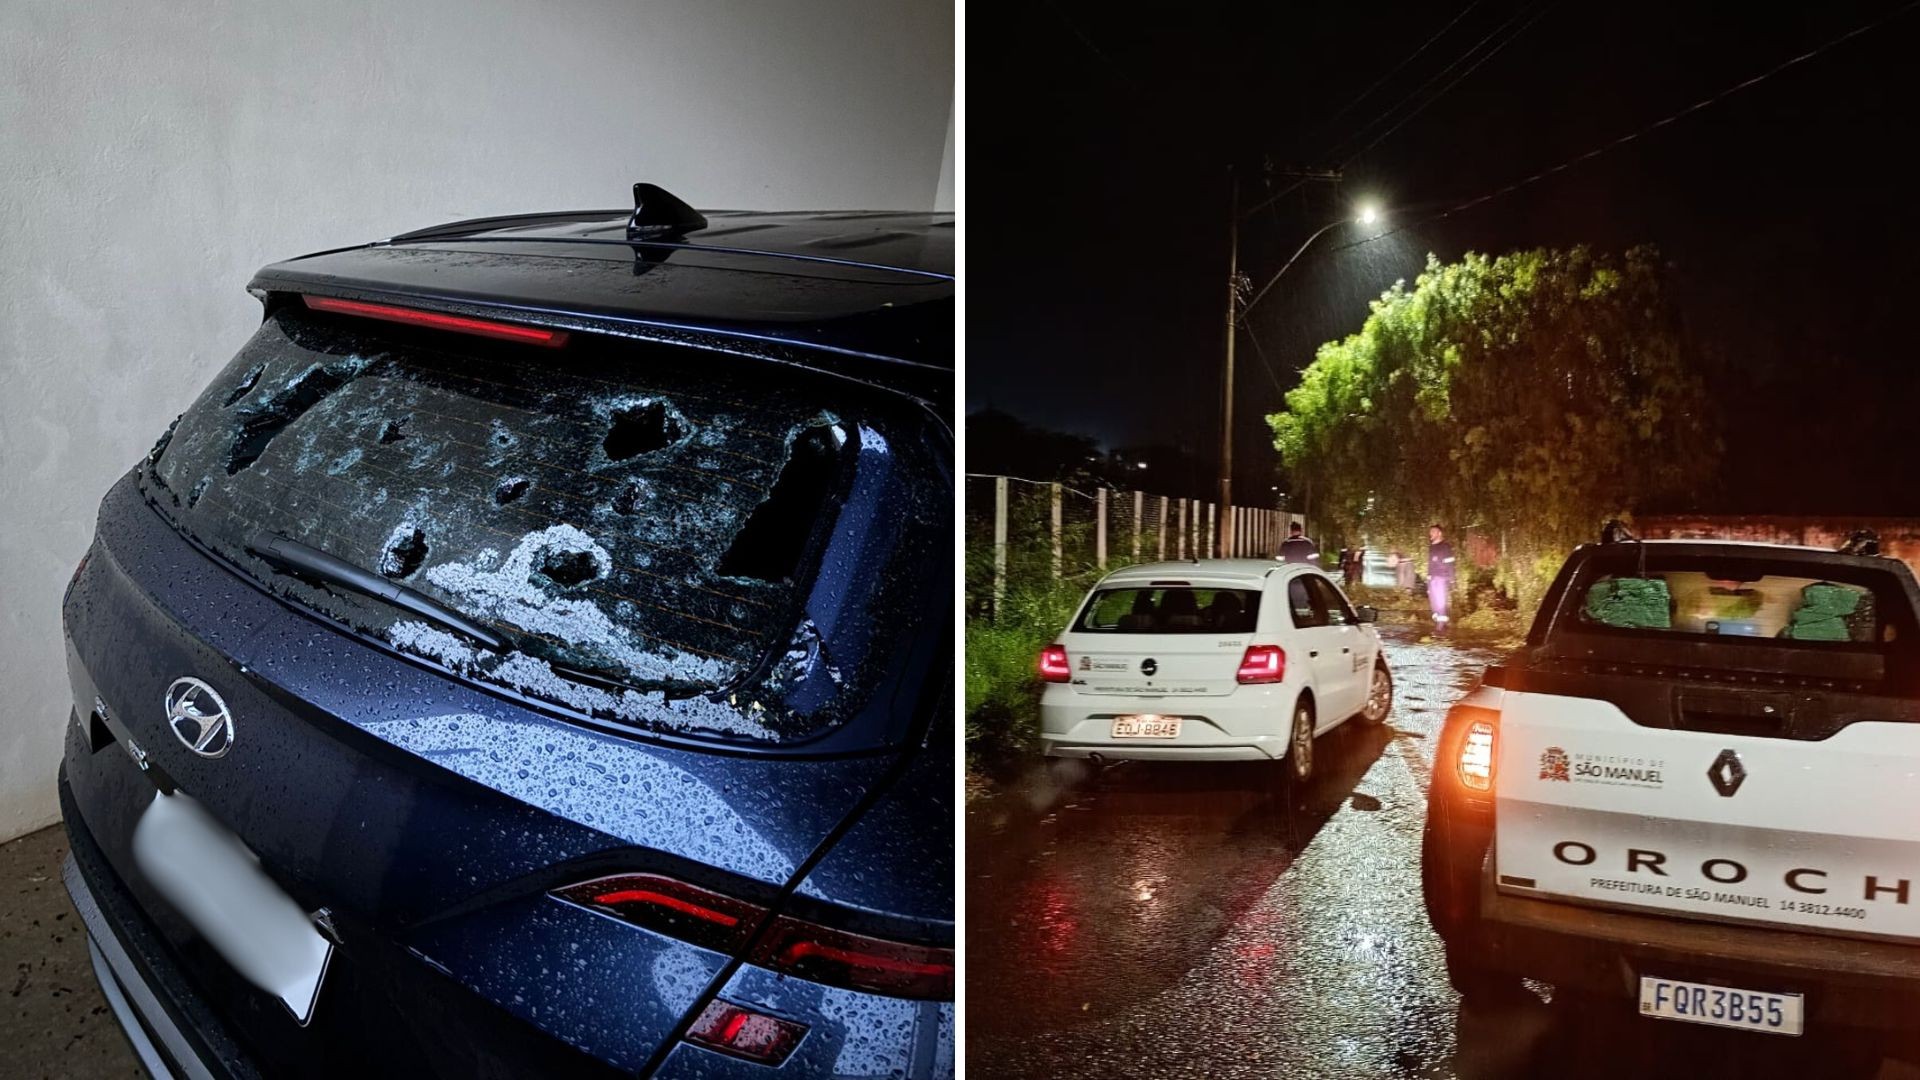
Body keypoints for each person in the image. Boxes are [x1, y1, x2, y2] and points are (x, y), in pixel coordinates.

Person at [1427, 524, 1456, 633]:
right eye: (1430, 532)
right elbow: (1430, 564)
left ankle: (1441, 626)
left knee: (1440, 601)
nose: (1431, 534)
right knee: (1434, 601)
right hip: (1432, 578)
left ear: (1440, 533)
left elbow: (1450, 563)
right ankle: (1439, 621)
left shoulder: (1445, 547)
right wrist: (1428, 577)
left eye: (1433, 531)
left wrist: (1452, 579)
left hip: (1442, 577)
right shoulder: (1431, 547)